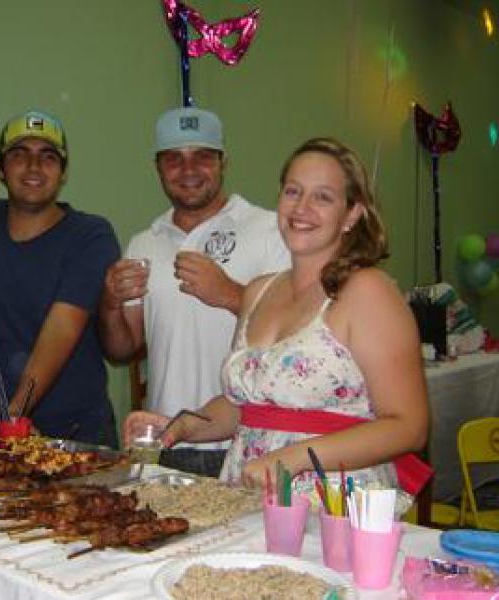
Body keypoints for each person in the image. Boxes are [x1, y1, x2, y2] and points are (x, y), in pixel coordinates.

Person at [124, 137, 430, 496]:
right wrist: (180, 426)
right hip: (247, 492)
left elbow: (409, 427)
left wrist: (295, 458)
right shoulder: (259, 292)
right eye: (293, 191)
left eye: (323, 197)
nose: (301, 208)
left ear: (351, 214)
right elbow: (245, 408)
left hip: (330, 498)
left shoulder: (367, 291)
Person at [99, 107, 289, 476]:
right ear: (158, 167)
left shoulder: (268, 230)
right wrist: (109, 303)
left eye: (202, 156)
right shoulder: (144, 242)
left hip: (246, 441)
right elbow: (122, 349)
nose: (188, 170)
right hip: (165, 440)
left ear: (223, 162)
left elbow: (297, 335)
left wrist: (230, 294)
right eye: (174, 159)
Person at [0, 109, 120, 447]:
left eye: (48, 157)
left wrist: (12, 417)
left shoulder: (90, 235)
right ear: (1, 169)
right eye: (19, 155)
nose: (33, 166)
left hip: (71, 434)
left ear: (63, 173)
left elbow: (61, 328)